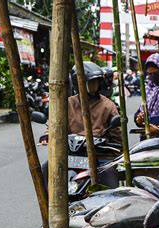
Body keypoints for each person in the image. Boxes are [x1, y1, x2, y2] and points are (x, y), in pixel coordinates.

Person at [41, 61, 122, 189]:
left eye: (96, 82)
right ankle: (48, 207)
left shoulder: (108, 105)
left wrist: (115, 148)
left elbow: (117, 135)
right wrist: (47, 135)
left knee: (110, 179)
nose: (94, 86)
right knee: (46, 168)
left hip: (99, 155)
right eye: (91, 82)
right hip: (71, 154)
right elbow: (54, 124)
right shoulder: (67, 104)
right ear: (79, 83)